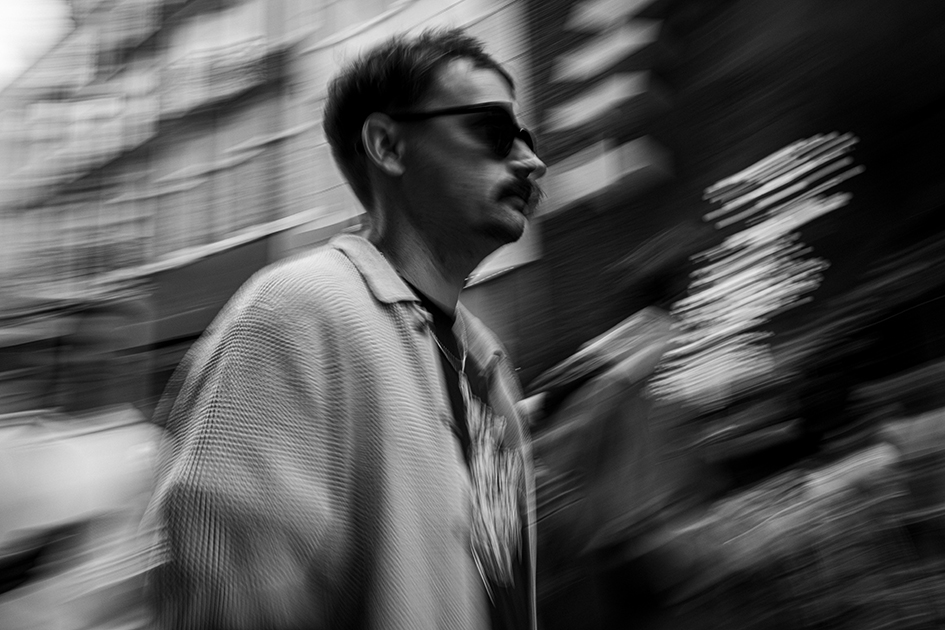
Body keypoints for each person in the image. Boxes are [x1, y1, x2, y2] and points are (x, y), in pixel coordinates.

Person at [144, 28, 546, 630]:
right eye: (493, 132)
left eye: (526, 138)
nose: (531, 161)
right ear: (387, 145)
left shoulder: (486, 361)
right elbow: (226, 597)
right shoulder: (295, 315)